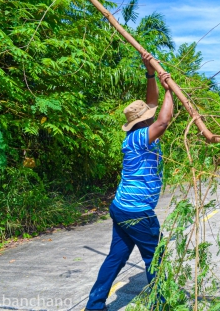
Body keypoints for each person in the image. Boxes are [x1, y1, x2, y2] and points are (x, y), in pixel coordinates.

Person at [85, 51, 173, 311]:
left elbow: (152, 105)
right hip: (136, 211)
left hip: (122, 208)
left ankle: (95, 305)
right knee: (155, 257)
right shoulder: (140, 138)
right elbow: (164, 120)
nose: (152, 113)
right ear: (144, 121)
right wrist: (169, 90)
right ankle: (161, 304)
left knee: (116, 257)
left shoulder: (136, 135)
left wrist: (151, 73)